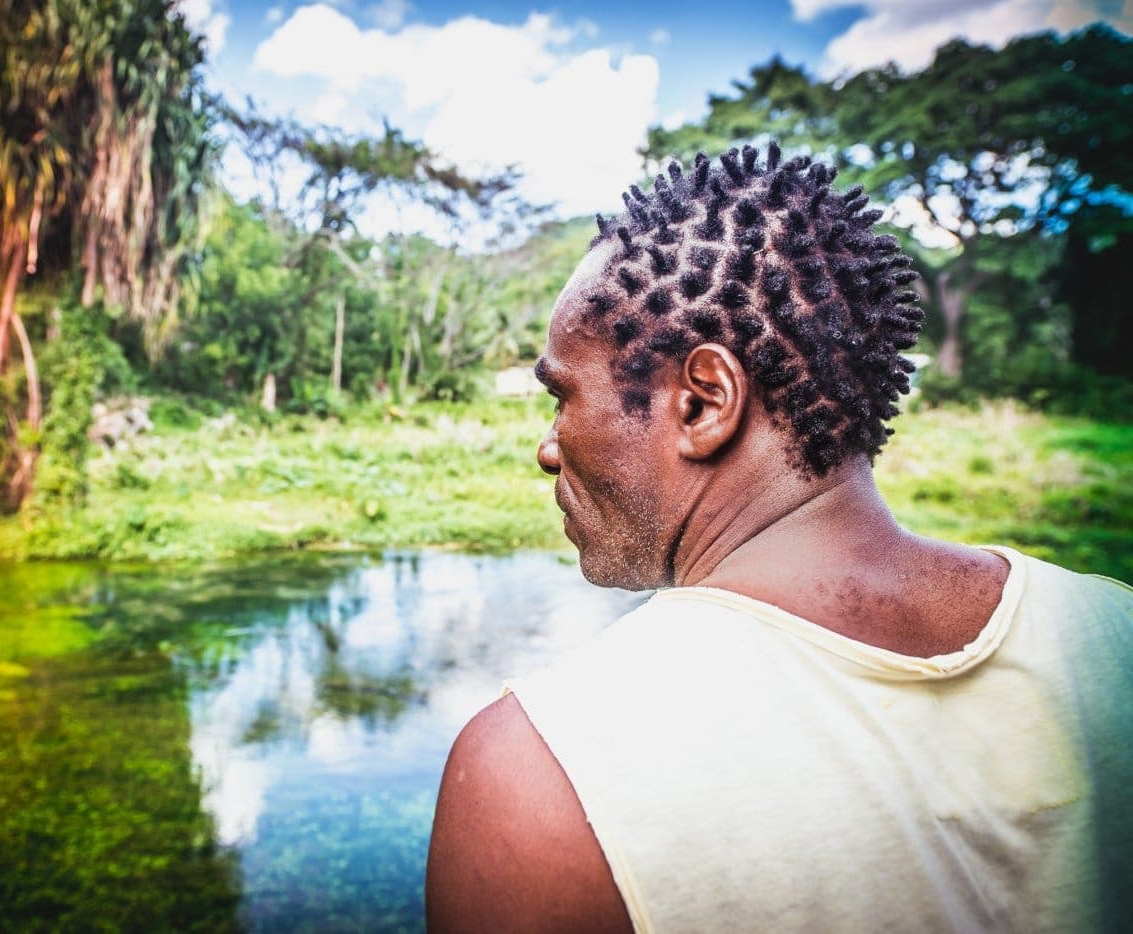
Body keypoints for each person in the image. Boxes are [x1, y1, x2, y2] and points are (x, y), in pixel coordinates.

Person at [424, 144, 1132, 933]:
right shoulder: (1114, 633)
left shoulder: (542, 776)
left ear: (703, 402)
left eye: (562, 396)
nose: (548, 446)